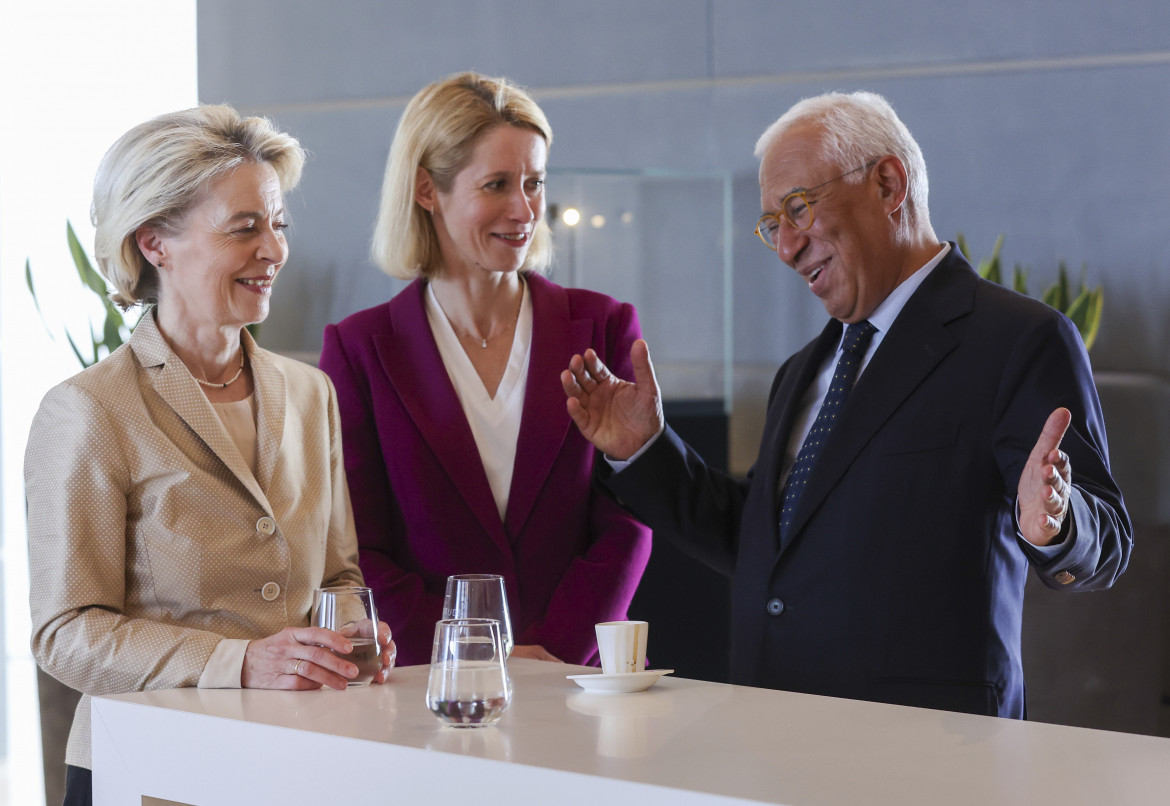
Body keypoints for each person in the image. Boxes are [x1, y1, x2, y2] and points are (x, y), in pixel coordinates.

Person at [561, 91, 1131, 718]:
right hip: (776, 736)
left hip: (929, 752)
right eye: (773, 225)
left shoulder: (1018, 339)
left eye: (799, 209)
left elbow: (1106, 539)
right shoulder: (802, 370)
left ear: (888, 184)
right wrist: (644, 452)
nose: (785, 247)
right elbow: (761, 544)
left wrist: (1054, 523)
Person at [25, 105, 396, 805]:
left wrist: (349, 634)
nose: (275, 250)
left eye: (279, 224)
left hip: (296, 767)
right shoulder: (88, 409)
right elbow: (65, 633)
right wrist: (242, 663)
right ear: (155, 243)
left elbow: (339, 573)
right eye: (245, 228)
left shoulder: (311, 393)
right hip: (148, 774)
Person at [320, 72, 652, 667]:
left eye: (534, 183)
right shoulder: (359, 349)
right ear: (427, 190)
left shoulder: (603, 325)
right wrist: (471, 657)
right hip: (431, 684)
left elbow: (628, 518)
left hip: (584, 674)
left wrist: (556, 650)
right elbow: (356, 545)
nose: (524, 210)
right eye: (497, 185)